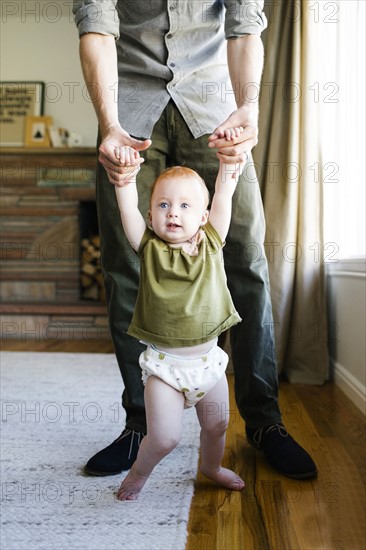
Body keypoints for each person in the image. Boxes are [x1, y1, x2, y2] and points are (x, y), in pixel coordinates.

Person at [73, 0, 317, 480]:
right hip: (128, 112)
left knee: (245, 261)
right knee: (125, 269)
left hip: (214, 110)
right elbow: (96, 28)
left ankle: (265, 423)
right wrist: (108, 123)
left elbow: (245, 26)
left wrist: (248, 106)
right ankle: (140, 425)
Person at [114, 132, 245, 500]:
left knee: (218, 424)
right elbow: (126, 210)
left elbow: (224, 195)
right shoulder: (148, 247)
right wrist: (125, 179)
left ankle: (211, 466)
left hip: (208, 363)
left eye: (185, 206)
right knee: (164, 438)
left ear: (203, 217)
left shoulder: (212, 240)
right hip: (165, 367)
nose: (173, 212)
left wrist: (228, 165)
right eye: (163, 205)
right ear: (151, 215)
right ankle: (139, 473)